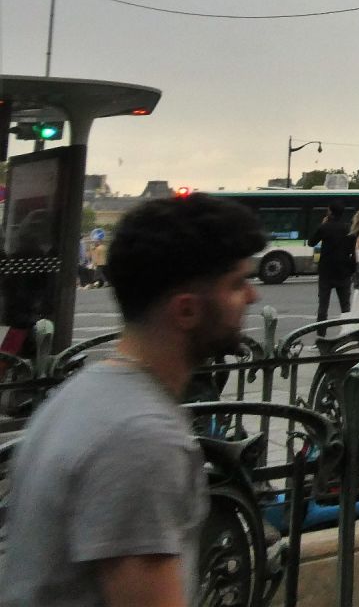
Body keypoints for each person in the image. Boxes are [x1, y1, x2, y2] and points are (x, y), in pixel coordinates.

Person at [0, 194, 263, 607]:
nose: (252, 296)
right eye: (236, 284)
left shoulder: (83, 393)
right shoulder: (142, 439)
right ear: (186, 311)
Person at [311, 203, 357, 325]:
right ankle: (347, 331)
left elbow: (311, 242)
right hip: (344, 270)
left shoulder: (325, 227)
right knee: (345, 306)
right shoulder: (349, 229)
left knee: (323, 305)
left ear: (330, 212)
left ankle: (321, 331)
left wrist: (322, 224)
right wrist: (352, 268)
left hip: (326, 271)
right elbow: (354, 250)